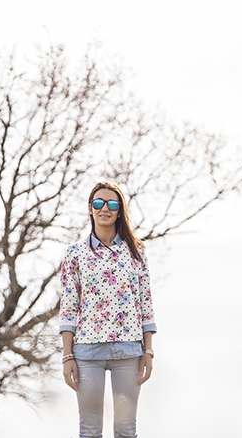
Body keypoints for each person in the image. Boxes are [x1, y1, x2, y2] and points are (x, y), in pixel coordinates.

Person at [59, 181, 157, 438]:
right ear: (90, 208)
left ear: (119, 210)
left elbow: (146, 303)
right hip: (87, 352)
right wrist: (67, 356)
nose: (105, 208)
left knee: (126, 429)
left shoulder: (136, 252)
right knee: (90, 430)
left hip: (128, 351)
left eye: (112, 203)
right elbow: (68, 307)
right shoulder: (74, 253)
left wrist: (148, 351)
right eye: (99, 203)